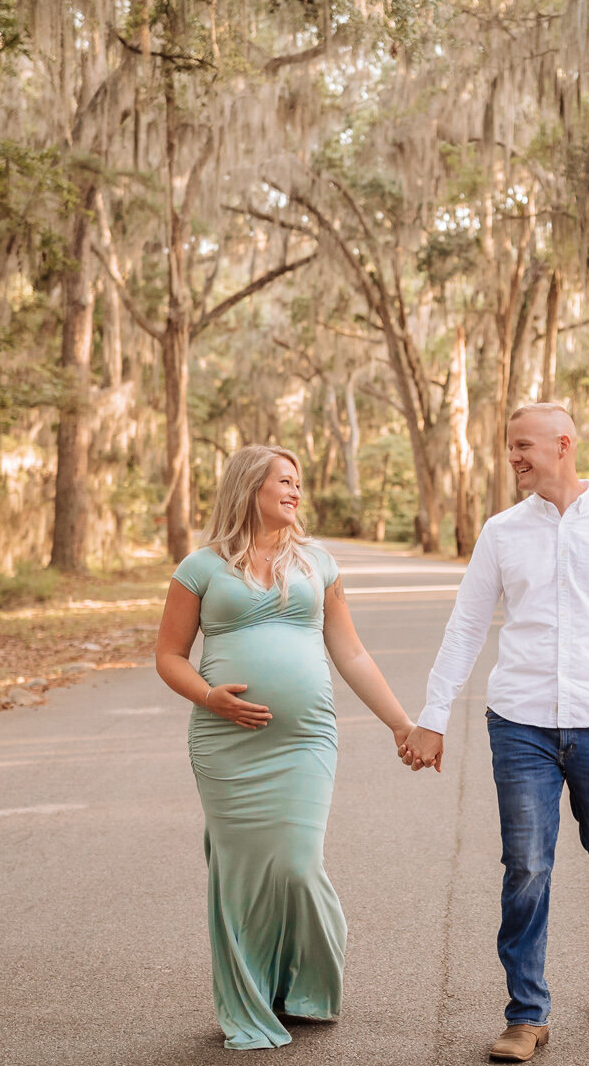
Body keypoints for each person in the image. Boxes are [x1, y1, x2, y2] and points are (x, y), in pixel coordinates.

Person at [404, 402, 589, 1064]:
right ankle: (527, 1013)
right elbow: (467, 626)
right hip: (520, 721)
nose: (514, 456)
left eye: (523, 445)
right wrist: (432, 716)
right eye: (510, 447)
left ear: (563, 443)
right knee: (526, 866)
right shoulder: (501, 532)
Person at [155, 444, 419, 1050]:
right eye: (285, 481)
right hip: (226, 742)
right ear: (250, 487)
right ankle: (252, 998)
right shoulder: (200, 567)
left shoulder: (319, 564)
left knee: (298, 864)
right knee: (243, 873)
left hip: (304, 739)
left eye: (299, 483)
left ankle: (306, 986)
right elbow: (169, 656)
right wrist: (209, 696)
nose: (296, 492)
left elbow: (350, 653)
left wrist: (400, 724)